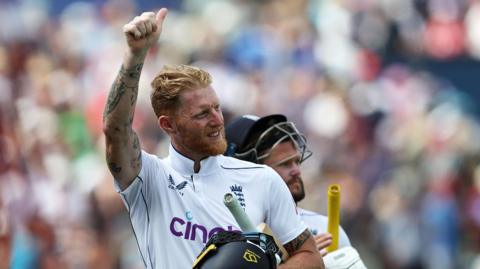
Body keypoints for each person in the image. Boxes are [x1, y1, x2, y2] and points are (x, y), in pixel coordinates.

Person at [102, 8, 324, 269]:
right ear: (168, 125)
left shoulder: (262, 179)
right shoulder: (148, 179)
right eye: (202, 114)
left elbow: (311, 258)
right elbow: (116, 130)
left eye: (217, 108)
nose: (218, 121)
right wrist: (135, 55)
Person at [225, 114, 352, 255]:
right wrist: (303, 260)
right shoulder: (221, 231)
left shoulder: (324, 229)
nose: (297, 171)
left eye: (297, 161)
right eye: (285, 164)